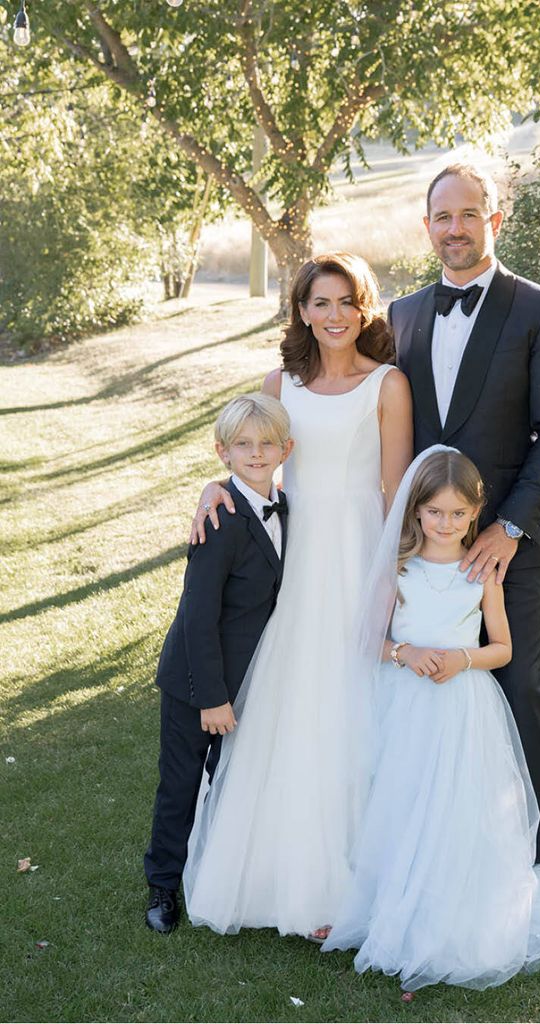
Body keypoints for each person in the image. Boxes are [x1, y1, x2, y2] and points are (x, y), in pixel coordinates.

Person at [181, 253, 413, 938]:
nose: (333, 315)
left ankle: (360, 869)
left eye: (346, 301)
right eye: (319, 302)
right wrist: (211, 488)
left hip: (359, 554)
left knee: (357, 697)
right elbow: (256, 464)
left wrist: (393, 581)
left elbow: (395, 492)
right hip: (293, 559)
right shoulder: (279, 382)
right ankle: (290, 874)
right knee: (297, 701)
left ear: (363, 307)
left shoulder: (387, 386)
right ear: (301, 311)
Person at [322, 447, 540, 991]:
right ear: (416, 512)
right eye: (434, 512)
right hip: (404, 705)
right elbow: (365, 642)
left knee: (454, 807)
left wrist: (462, 659)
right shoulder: (398, 570)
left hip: (462, 708)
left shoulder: (482, 572)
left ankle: (444, 926)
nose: (445, 524)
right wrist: (403, 652)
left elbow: (502, 648)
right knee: (403, 802)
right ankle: (391, 913)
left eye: (456, 514)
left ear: (475, 513)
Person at [388, 162, 540, 865]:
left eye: (468, 214)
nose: (454, 229)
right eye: (442, 217)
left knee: (518, 685)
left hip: (506, 546)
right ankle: (438, 835)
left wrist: (508, 527)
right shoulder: (402, 314)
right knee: (423, 691)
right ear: (427, 226)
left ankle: (536, 852)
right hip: (423, 552)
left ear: (494, 220)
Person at [144, 392, 293, 933]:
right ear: (222, 452)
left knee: (228, 778)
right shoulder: (219, 519)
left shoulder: (287, 508)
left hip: (252, 676)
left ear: (286, 449)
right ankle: (162, 883)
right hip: (197, 681)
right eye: (243, 445)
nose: (256, 453)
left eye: (267, 443)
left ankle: (217, 867)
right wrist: (211, 696)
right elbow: (197, 616)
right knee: (181, 782)